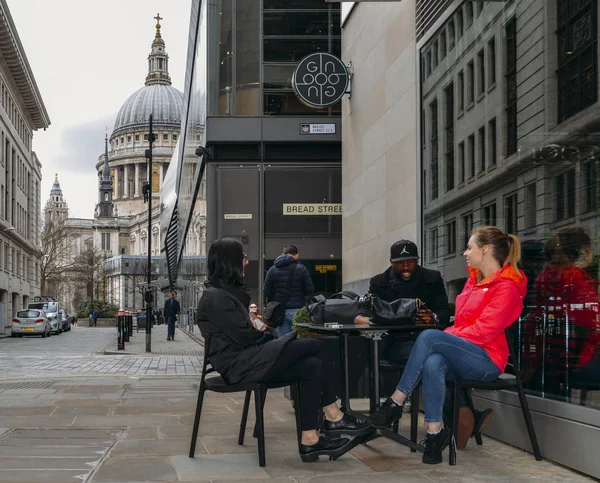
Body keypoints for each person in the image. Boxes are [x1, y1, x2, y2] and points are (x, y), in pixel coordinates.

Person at [196, 238, 369, 462]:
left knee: (312, 366)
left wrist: (263, 330)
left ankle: (310, 441)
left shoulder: (223, 294)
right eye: (243, 258)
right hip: (240, 365)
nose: (246, 263)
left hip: (247, 358)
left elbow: (245, 333)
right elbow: (247, 337)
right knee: (314, 344)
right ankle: (334, 416)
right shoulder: (215, 297)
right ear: (230, 263)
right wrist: (270, 333)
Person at [368, 226, 527, 464]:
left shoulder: (507, 286)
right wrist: (452, 333)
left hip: (487, 360)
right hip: (465, 351)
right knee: (433, 362)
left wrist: (448, 333)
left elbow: (484, 331)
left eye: (469, 247)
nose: (465, 252)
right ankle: (434, 433)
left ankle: (396, 401)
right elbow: (462, 322)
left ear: (485, 250)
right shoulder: (473, 281)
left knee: (430, 336)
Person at [354, 239, 491, 449]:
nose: (407, 267)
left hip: (431, 339)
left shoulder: (432, 278)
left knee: (435, 358)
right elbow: (363, 315)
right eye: (401, 263)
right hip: (398, 343)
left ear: (418, 260)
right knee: (432, 359)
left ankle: (403, 407)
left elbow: (444, 313)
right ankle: (463, 415)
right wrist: (382, 318)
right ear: (392, 262)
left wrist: (433, 317)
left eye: (411, 261)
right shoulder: (379, 282)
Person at [522, 226, 600, 396]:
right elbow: (593, 332)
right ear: (586, 251)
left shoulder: (544, 280)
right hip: (576, 363)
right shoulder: (579, 285)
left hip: (547, 363)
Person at [264, 244, 314, 336]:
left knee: (283, 342)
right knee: (299, 342)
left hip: (280, 312)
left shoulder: (273, 269)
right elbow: (310, 290)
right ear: (297, 255)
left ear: (283, 254)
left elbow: (266, 291)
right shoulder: (302, 269)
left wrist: (274, 302)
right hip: (298, 310)